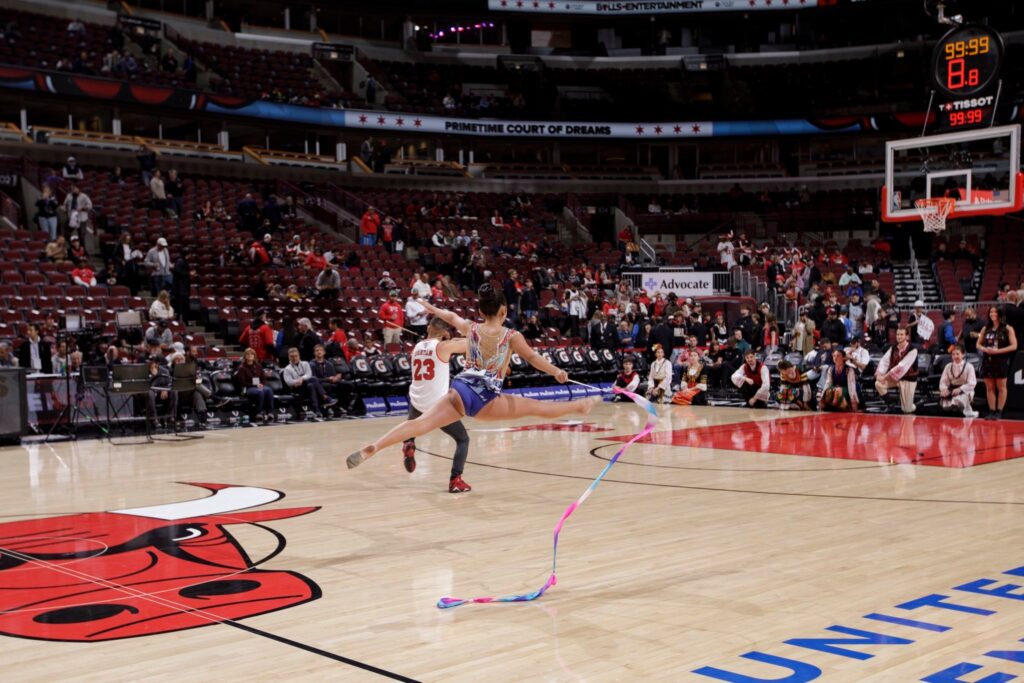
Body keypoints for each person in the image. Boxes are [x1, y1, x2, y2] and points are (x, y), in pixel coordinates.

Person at [346, 284, 600, 469]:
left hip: (460, 388)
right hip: (485, 396)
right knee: (536, 407)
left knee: (419, 424)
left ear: (480, 309)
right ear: (504, 310)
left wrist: (430, 307)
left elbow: (450, 317)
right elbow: (533, 358)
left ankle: (375, 446)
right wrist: (557, 371)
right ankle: (579, 406)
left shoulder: (472, 328)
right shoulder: (512, 336)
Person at [399, 318, 473, 492]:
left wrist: (448, 339)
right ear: (445, 332)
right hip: (437, 407)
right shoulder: (444, 347)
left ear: (428, 328)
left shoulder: (417, 347)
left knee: (411, 428)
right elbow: (470, 343)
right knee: (463, 439)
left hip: (416, 403)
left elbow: (441, 345)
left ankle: (409, 441)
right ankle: (455, 480)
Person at [977, 306, 1018, 420]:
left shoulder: (1007, 328)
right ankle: (992, 411)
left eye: (995, 312)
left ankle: (999, 411)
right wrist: (984, 349)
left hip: (1001, 360)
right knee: (989, 387)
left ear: (1000, 314)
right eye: (991, 312)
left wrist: (998, 351)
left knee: (1001, 387)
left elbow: (1014, 346)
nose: (993, 314)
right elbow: (978, 344)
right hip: (987, 360)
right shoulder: (986, 328)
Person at [282, 347, 336, 421]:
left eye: (296, 356)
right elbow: (289, 382)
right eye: (292, 356)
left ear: (299, 356)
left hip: (307, 386)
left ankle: (316, 410)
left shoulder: (305, 363)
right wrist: (297, 381)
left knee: (311, 385)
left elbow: (309, 374)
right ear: (289, 357)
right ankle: (325, 397)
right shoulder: (287, 369)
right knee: (313, 379)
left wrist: (302, 379)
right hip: (297, 389)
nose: (294, 358)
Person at [874, 327, 919, 414]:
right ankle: (891, 405)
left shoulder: (913, 350)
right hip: (894, 378)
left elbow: (901, 367)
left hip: (908, 379)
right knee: (878, 383)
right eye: (897, 334)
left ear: (907, 337)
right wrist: (879, 374)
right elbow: (884, 361)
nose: (899, 336)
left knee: (907, 410)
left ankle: (915, 405)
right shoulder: (893, 348)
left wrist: (884, 377)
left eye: (901, 334)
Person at [234, 348, 274, 425]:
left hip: (259, 386)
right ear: (245, 356)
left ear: (254, 356)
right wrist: (255, 385)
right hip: (248, 388)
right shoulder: (242, 368)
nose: (250, 355)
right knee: (260, 392)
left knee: (268, 390)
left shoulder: (258, 366)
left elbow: (263, 378)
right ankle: (259, 412)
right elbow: (242, 382)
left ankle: (270, 412)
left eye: (252, 354)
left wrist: (262, 384)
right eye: (248, 354)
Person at [939, 344, 979, 418]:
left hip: (965, 390)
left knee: (958, 401)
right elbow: (943, 381)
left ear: (963, 355)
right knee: (946, 406)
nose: (955, 356)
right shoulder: (948, 366)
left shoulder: (969, 367)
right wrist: (944, 389)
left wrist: (960, 389)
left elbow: (972, 383)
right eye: (953, 354)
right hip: (952, 390)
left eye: (957, 354)